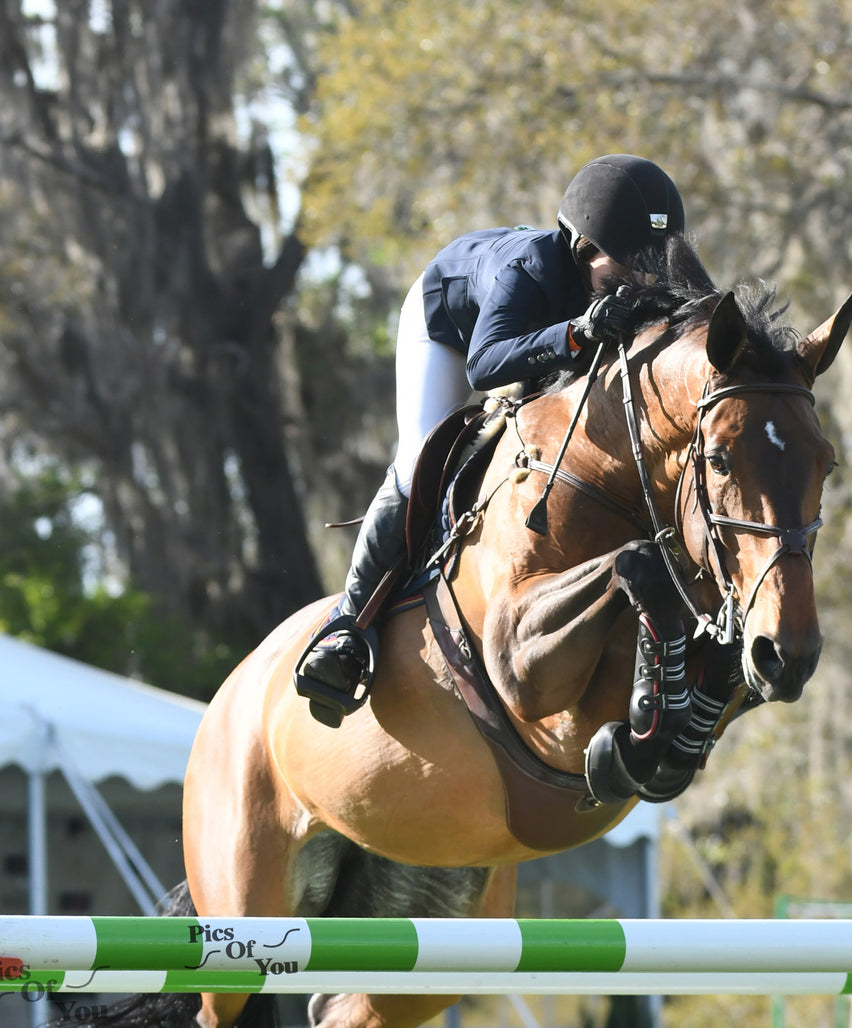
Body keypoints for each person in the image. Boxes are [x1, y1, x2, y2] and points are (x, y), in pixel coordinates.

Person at [294, 154, 708, 726]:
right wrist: (580, 330)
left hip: (538, 342)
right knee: (418, 459)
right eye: (629, 267)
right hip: (452, 330)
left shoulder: (651, 263)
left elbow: (713, 326)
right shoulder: (532, 267)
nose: (645, 280)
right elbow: (486, 364)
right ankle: (346, 627)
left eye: (653, 266)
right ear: (585, 247)